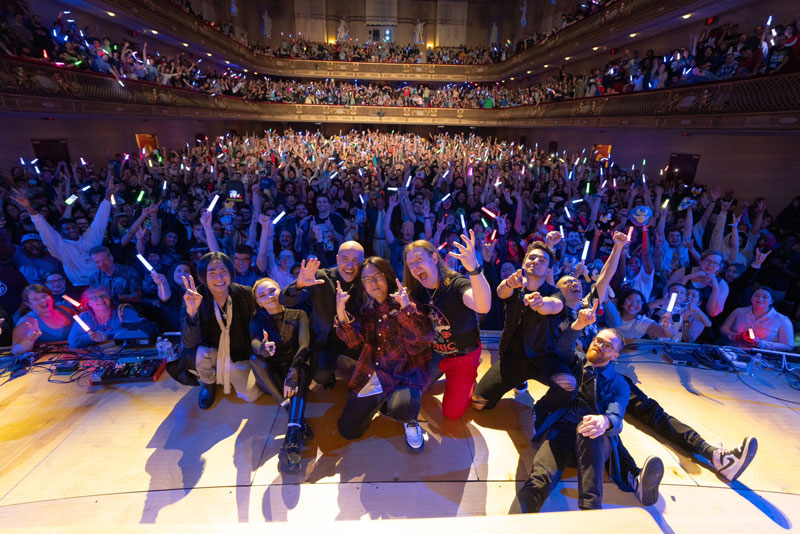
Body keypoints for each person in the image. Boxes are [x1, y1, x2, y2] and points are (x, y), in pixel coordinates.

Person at [514, 328, 630, 513]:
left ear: (615, 355)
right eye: (598, 340)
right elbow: (561, 349)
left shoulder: (618, 383)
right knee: (539, 479)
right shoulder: (575, 362)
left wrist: (604, 421)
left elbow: (616, 417)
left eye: (607, 345)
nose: (599, 346)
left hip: (593, 443)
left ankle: (590, 511)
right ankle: (512, 524)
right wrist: (577, 326)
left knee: (588, 428)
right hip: (561, 434)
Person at [335, 257, 433, 451]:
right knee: (348, 430)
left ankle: (410, 418)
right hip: (377, 372)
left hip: (405, 373)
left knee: (404, 408)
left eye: (378, 276)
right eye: (366, 279)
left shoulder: (406, 301)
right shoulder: (366, 309)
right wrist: (340, 312)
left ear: (388, 277)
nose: (373, 282)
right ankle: (382, 403)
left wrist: (406, 309)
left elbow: (422, 341)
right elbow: (354, 342)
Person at [472, 241, 575, 423]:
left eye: (542, 260)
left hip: (544, 359)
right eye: (532, 257)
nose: (536, 261)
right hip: (512, 360)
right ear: (524, 261)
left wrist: (541, 304)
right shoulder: (514, 285)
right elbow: (501, 292)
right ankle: (519, 381)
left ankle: (541, 409)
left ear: (549, 270)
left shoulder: (554, 293)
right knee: (479, 403)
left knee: (569, 385)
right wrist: (508, 283)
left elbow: (555, 306)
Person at [403, 231, 491, 420]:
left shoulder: (456, 283)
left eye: (419, 259)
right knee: (413, 388)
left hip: (463, 357)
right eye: (411, 264)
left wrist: (474, 268)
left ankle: (469, 378)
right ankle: (450, 379)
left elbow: (483, 306)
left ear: (434, 258)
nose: (415, 266)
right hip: (436, 353)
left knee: (451, 414)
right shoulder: (419, 289)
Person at [171, 252, 259, 409]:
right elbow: (189, 343)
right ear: (203, 276)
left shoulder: (245, 293)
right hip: (210, 352)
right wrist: (192, 312)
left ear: (231, 273)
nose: (219, 278)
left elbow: (256, 327)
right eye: (212, 273)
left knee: (250, 394)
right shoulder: (193, 297)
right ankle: (208, 382)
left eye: (223, 272)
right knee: (199, 353)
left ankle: (227, 371)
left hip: (238, 354)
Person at [279, 241, 365, 388]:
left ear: (363, 262)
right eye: (345, 259)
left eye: (356, 260)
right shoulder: (320, 277)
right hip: (326, 339)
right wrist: (299, 285)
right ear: (337, 259)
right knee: (321, 376)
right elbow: (284, 300)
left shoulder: (365, 280)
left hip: (356, 338)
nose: (350, 266)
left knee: (368, 373)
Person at [249, 277, 312, 471]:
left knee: (301, 370)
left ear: (279, 290)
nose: (268, 297)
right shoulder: (257, 320)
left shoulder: (298, 314)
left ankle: (292, 436)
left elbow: (304, 345)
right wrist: (263, 348)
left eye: (271, 291)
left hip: (296, 365)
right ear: (258, 302)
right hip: (273, 376)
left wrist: (293, 370)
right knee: (255, 359)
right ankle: (294, 415)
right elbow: (254, 343)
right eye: (262, 295)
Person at [11, 184, 117, 287]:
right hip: (81, 286)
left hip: (105, 282)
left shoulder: (89, 238)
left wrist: (108, 195)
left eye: (73, 227)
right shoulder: (60, 247)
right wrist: (29, 207)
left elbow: (100, 220)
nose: (72, 230)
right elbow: (44, 228)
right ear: (61, 233)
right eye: (67, 229)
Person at [720, 287, 794, 351]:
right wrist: (736, 337)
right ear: (751, 298)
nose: (760, 299)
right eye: (756, 296)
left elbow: (788, 345)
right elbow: (723, 329)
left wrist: (762, 344)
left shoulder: (782, 319)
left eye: (765, 297)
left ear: (772, 301)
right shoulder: (739, 311)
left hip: (762, 357)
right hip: (734, 351)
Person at [68, 285, 141, 347]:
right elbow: (74, 341)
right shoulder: (85, 317)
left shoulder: (125, 310)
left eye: (104, 296)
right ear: (88, 303)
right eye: (94, 297)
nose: (100, 300)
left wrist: (105, 336)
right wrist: (94, 337)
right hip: (98, 357)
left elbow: (136, 331)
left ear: (110, 298)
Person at [11, 284, 73, 355]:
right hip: (53, 362)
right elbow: (16, 351)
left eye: (44, 296)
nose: (42, 301)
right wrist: (30, 339)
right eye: (35, 299)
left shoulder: (65, 309)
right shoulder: (26, 321)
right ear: (28, 304)